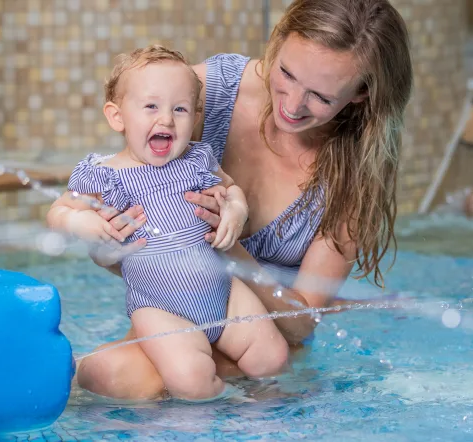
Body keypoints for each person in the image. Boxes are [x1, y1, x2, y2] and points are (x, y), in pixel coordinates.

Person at [49, 0, 413, 400]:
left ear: (360, 95)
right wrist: (107, 248)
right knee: (126, 377)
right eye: (286, 73)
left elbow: (302, 320)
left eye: (321, 98)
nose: (291, 105)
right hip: (175, 304)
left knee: (189, 378)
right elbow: (107, 201)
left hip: (261, 335)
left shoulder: (354, 174)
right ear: (277, 42)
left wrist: (231, 246)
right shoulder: (207, 93)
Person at [48, 45, 289, 401]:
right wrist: (83, 223)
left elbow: (231, 189)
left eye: (180, 109)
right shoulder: (103, 174)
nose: (166, 119)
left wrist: (236, 211)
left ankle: (266, 407)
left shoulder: (197, 159)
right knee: (190, 381)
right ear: (117, 117)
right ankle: (232, 402)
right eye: (151, 107)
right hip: (160, 307)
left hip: (223, 293)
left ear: (195, 115)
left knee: (273, 357)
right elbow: (58, 212)